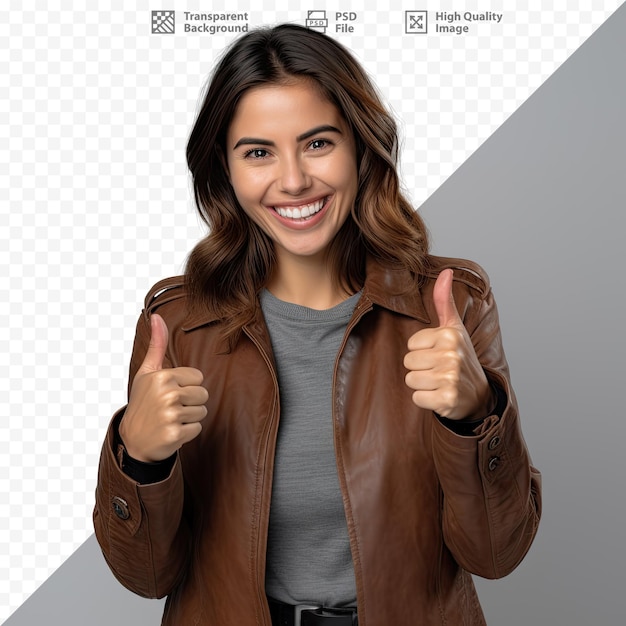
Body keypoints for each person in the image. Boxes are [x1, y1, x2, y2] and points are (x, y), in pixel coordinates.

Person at [93, 23, 541, 626]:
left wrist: (476, 414)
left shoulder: (450, 307)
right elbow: (146, 577)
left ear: (360, 147)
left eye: (318, 143)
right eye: (258, 152)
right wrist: (140, 458)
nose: (294, 179)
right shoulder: (177, 325)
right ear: (224, 169)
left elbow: (497, 553)